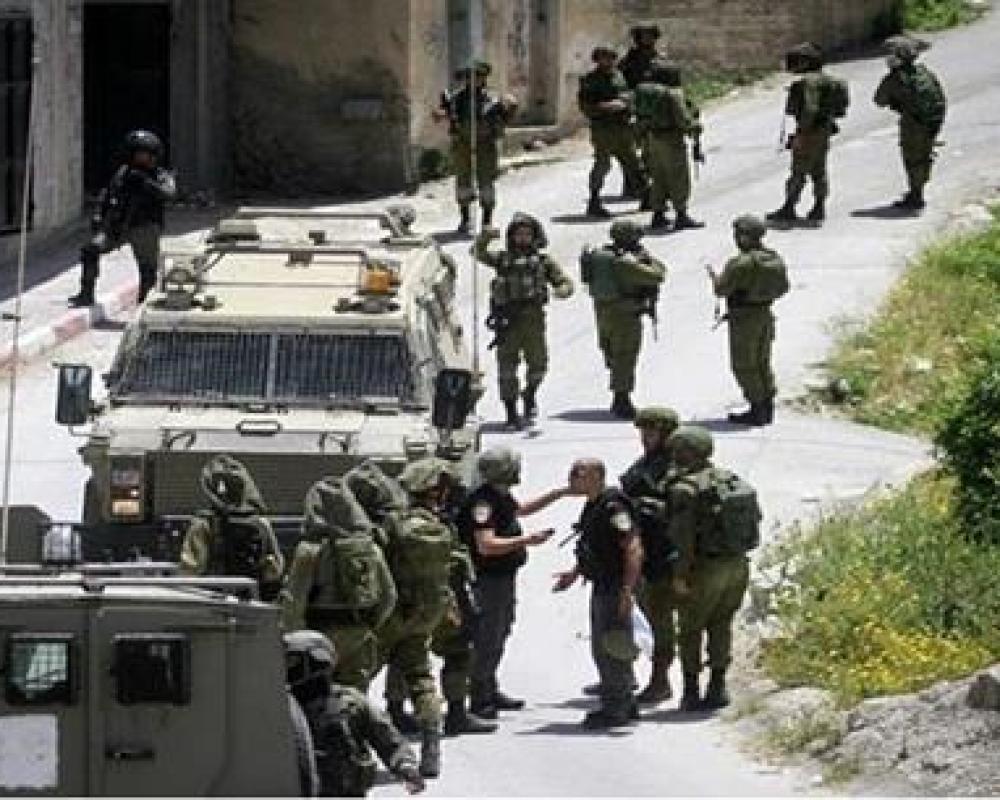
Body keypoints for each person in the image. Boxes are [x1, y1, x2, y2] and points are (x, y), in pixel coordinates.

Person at [457, 446, 568, 719]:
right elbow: (486, 545)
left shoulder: (500, 496)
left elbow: (521, 510)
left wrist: (558, 494)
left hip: (503, 579)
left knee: (500, 631)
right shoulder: (483, 504)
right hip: (488, 580)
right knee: (488, 637)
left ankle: (490, 686)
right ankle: (480, 697)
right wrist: (527, 541)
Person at [371, 457, 463, 779]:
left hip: (392, 615)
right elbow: (453, 568)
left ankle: (355, 746)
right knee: (422, 679)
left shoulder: (394, 524)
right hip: (425, 616)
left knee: (357, 679)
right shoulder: (442, 527)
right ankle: (431, 749)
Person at [664, 426, 761, 711]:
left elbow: (682, 539)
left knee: (690, 628)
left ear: (685, 452)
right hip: (736, 565)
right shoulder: (730, 480)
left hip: (705, 568)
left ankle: (691, 691)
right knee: (721, 624)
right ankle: (718, 686)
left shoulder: (685, 489)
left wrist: (680, 576)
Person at [279, 475, 397, 690]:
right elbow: (389, 597)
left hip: (319, 636)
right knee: (355, 697)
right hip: (359, 635)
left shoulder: (310, 551)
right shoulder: (370, 548)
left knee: (315, 697)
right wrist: (368, 625)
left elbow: (294, 603)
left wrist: (294, 642)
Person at [553, 458, 644, 728]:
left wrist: (627, 590)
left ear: (596, 476)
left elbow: (633, 547)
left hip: (615, 584)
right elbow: (595, 546)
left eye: (578, 473)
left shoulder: (613, 506)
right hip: (603, 583)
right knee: (607, 644)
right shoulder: (595, 505)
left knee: (611, 646)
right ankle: (625, 702)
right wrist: (575, 572)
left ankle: (616, 708)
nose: (572, 478)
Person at [284, 630, 426, 798]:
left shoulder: (350, 701)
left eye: (292, 662)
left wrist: (405, 766)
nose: (287, 669)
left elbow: (386, 737)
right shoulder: (283, 708)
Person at [475, 213, 574, 430]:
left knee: (539, 365)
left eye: (527, 234)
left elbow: (564, 281)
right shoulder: (502, 259)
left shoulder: (543, 262)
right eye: (518, 234)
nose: (523, 238)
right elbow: (478, 253)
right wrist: (485, 237)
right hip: (507, 321)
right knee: (507, 369)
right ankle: (511, 412)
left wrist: (562, 289)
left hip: (533, 320)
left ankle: (529, 393)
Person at [69, 129, 176, 307]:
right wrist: (98, 215)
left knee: (147, 268)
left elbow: (169, 194)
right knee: (90, 250)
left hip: (145, 226)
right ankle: (86, 293)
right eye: (137, 154)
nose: (140, 158)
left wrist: (146, 183)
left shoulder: (160, 175)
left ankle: (145, 301)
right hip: (117, 225)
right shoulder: (123, 173)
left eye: (144, 154)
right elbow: (107, 193)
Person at [620, 406, 681, 704]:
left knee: (659, 621)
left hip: (662, 556)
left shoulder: (677, 469)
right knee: (628, 615)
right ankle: (623, 673)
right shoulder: (646, 463)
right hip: (639, 551)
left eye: (652, 432)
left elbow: (679, 512)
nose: (645, 437)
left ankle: (660, 679)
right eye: (643, 432)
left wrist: (645, 506)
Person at [706, 215, 790, 426]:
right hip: (764, 314)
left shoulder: (740, 263)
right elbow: (784, 288)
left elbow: (721, 289)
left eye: (738, 234)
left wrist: (715, 278)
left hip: (744, 318)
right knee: (762, 362)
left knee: (744, 364)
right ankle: (767, 406)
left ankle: (757, 408)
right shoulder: (773, 258)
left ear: (744, 236)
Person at [580, 220, 666, 419]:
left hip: (603, 311)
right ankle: (621, 400)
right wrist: (647, 259)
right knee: (626, 355)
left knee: (611, 351)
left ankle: (618, 389)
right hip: (626, 313)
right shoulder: (625, 261)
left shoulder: (599, 255)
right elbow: (658, 275)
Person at [179, 454, 284, 600]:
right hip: (252, 600)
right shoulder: (262, 524)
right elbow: (275, 571)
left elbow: (190, 572)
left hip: (213, 601)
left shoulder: (202, 525)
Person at [767, 43, 849, 224]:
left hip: (809, 131)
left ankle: (789, 207)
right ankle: (819, 207)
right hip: (825, 130)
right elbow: (841, 109)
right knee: (819, 170)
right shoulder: (833, 82)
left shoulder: (807, 83)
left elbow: (810, 109)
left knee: (798, 171)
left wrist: (802, 133)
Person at [433, 60, 516, 233]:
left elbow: (506, 117)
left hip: (485, 144)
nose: (474, 80)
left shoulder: (493, 98)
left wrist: (510, 107)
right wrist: (440, 114)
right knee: (463, 180)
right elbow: (443, 114)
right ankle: (465, 219)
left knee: (486, 181)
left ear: (484, 78)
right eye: (470, 77)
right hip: (462, 143)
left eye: (478, 76)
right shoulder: (456, 98)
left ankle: (487, 220)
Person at [874, 35, 947, 211]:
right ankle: (918, 189)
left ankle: (916, 196)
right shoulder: (924, 72)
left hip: (913, 123)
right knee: (924, 155)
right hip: (932, 120)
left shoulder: (895, 78)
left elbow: (879, 100)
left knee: (912, 159)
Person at [634, 60, 705, 231]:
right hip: (671, 139)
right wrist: (695, 127)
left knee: (659, 177)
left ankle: (658, 214)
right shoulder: (673, 94)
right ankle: (681, 214)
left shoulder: (647, 92)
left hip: (652, 138)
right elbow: (683, 119)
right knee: (678, 177)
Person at [578, 47, 648, 218]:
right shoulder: (591, 80)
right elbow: (586, 106)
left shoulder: (619, 76)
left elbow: (630, 95)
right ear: (597, 60)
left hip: (623, 127)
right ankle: (594, 200)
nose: (607, 61)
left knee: (633, 163)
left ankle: (646, 196)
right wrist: (607, 107)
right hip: (603, 129)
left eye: (610, 58)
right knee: (602, 164)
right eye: (603, 58)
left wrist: (626, 103)